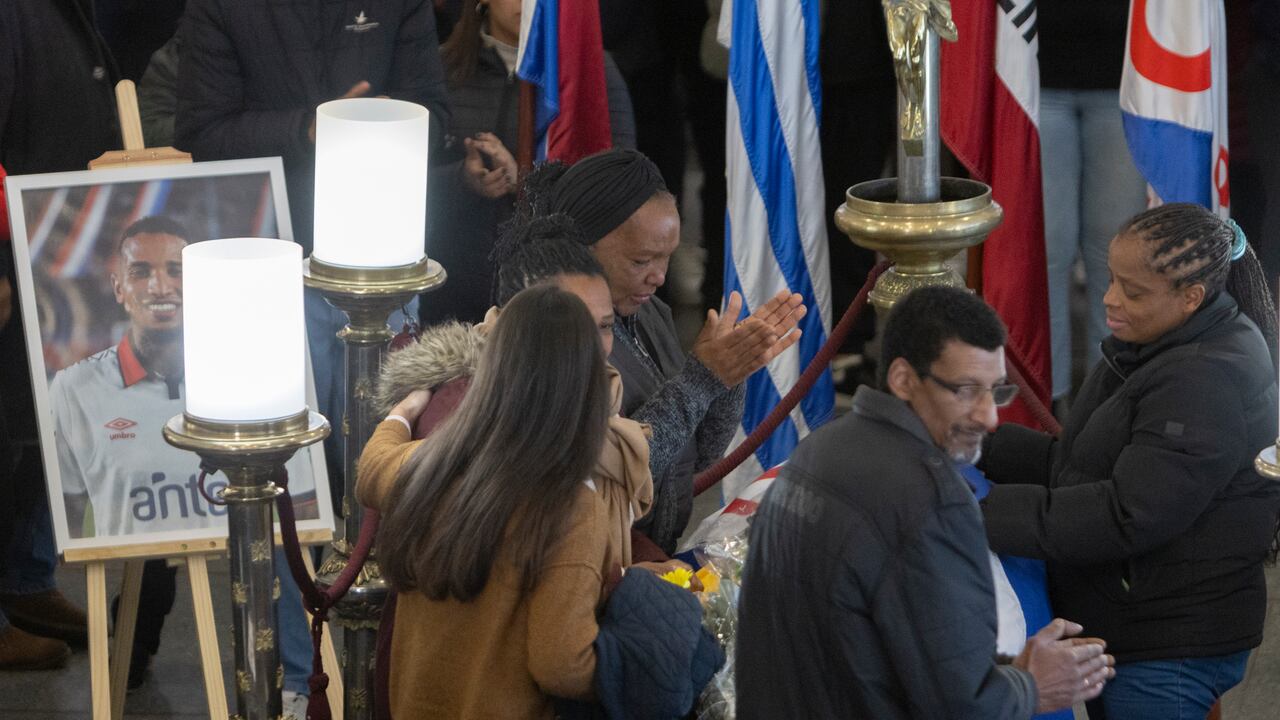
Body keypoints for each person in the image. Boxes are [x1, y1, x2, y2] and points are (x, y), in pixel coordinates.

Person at [736, 286, 1114, 719]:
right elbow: (960, 706)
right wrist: (1033, 686)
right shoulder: (931, 502)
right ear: (902, 379)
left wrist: (1006, 673)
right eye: (967, 391)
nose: (990, 417)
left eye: (997, 391)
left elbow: (880, 653)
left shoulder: (816, 452)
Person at [979, 203, 1280, 719]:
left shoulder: (1204, 382)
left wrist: (968, 513)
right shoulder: (1155, 342)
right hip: (1140, 623)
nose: (1110, 300)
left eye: (1133, 292)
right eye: (1113, 279)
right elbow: (1079, 463)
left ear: (1191, 297)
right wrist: (973, 440)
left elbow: (1125, 513)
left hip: (1168, 647)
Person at [175, 0, 452, 509]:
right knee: (280, 474)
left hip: (380, 257)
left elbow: (436, 119)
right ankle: (286, 591)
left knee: (384, 456)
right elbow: (201, 134)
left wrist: (385, 122)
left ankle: (382, 583)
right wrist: (308, 129)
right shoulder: (217, 7)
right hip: (266, 270)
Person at [47, 217, 319, 698]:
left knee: (275, 543)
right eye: (141, 271)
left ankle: (294, 687)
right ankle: (133, 638)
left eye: (177, 270)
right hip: (142, 546)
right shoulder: (74, 388)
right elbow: (73, 513)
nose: (162, 285)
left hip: (244, 528)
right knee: (149, 561)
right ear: (117, 287)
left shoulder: (258, 377)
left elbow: (298, 510)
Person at [359, 285, 649, 718]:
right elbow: (561, 666)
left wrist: (406, 408)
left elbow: (372, 469)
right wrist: (641, 665)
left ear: (492, 370)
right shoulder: (572, 508)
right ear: (589, 384)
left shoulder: (436, 461)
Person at [523, 148, 807, 553]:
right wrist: (701, 380)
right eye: (641, 260)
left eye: (667, 257)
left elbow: (696, 458)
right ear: (580, 247)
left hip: (651, 551)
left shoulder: (648, 311)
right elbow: (610, 476)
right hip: (598, 560)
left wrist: (728, 376)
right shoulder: (549, 332)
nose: (659, 277)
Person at [0, 0, 119, 670]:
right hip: (15, 254)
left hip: (55, 252)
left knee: (44, 421)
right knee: (7, 438)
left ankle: (25, 578)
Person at [422, 0, 635, 326]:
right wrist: (462, 178)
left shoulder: (589, 69)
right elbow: (406, 183)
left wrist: (522, 180)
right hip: (453, 286)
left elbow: (621, 186)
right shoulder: (441, 67)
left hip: (551, 294)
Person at [1037, 1, 1148, 403]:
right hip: (1035, 78)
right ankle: (1047, 399)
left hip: (1127, 81)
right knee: (1048, 249)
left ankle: (1111, 395)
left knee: (1116, 251)